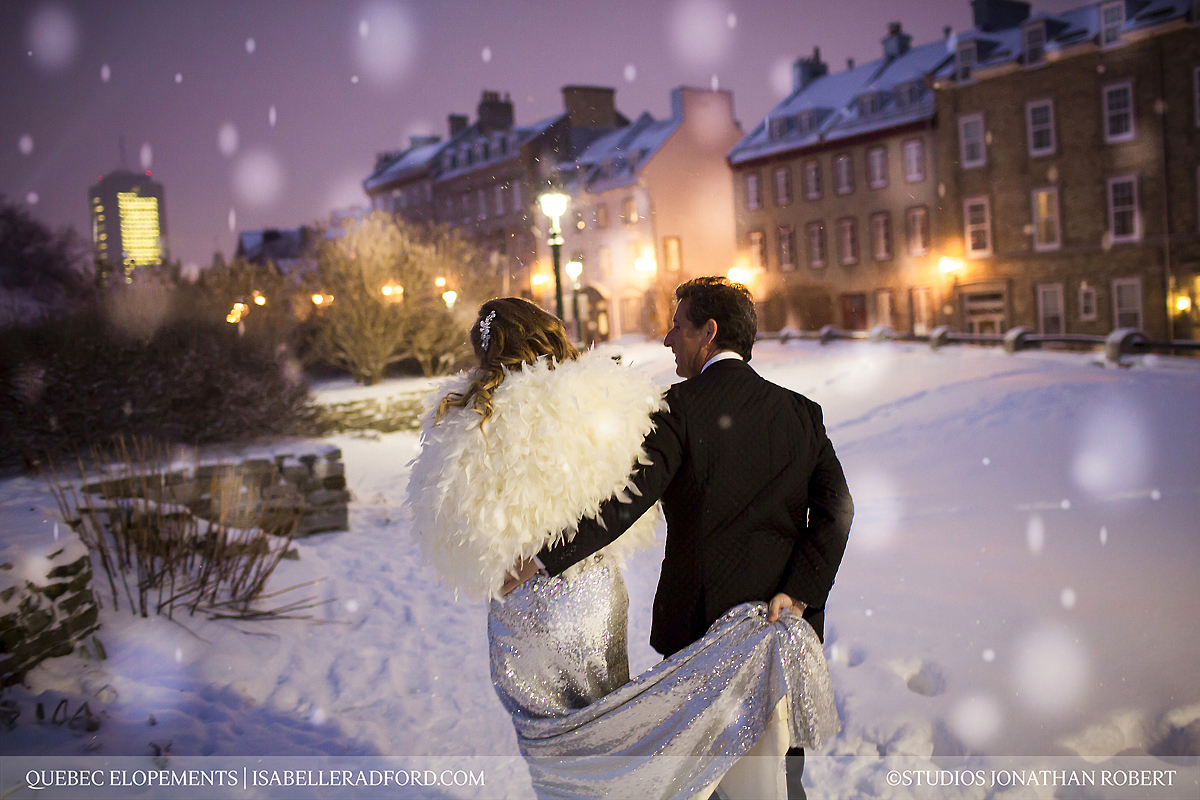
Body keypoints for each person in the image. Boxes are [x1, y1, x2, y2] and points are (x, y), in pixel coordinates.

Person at [408, 296, 839, 799]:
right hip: (766, 618)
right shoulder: (801, 411)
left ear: (709, 332)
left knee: (667, 763)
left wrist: (540, 559)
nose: (666, 338)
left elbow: (624, 504)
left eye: (677, 326)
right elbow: (837, 511)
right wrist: (799, 591)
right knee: (774, 769)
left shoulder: (680, 407)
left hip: (678, 618)